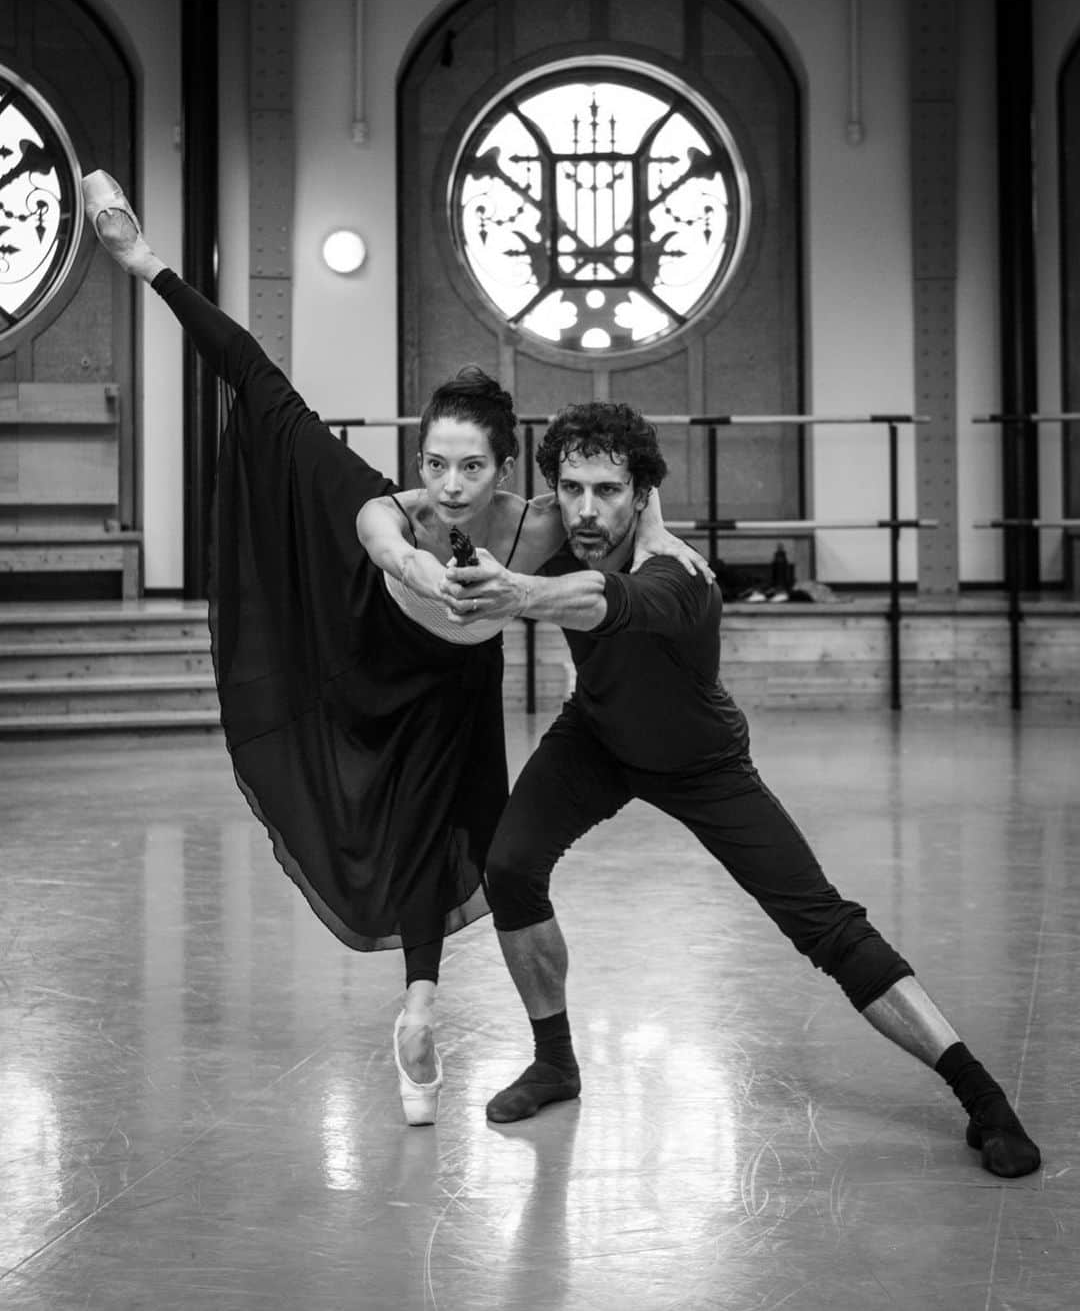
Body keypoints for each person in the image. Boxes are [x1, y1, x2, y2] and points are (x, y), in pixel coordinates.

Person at [80, 170, 708, 1127]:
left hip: (460, 690)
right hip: (368, 671)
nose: (448, 487)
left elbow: (617, 462)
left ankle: (421, 1011)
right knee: (416, 829)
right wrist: (143, 263)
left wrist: (658, 533)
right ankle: (445, 1022)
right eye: (434, 463)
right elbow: (255, 375)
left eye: (468, 468)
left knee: (470, 844)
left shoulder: (541, 521)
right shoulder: (389, 510)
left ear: (506, 469)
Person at [444, 400, 1042, 1179]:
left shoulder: (681, 577)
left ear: (642, 493)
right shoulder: (555, 533)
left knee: (824, 925)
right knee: (511, 866)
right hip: (594, 739)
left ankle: (983, 1096)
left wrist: (519, 592)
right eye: (572, 488)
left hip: (702, 762)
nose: (588, 509)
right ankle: (555, 1062)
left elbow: (603, 601)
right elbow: (468, 505)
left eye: (611, 491)